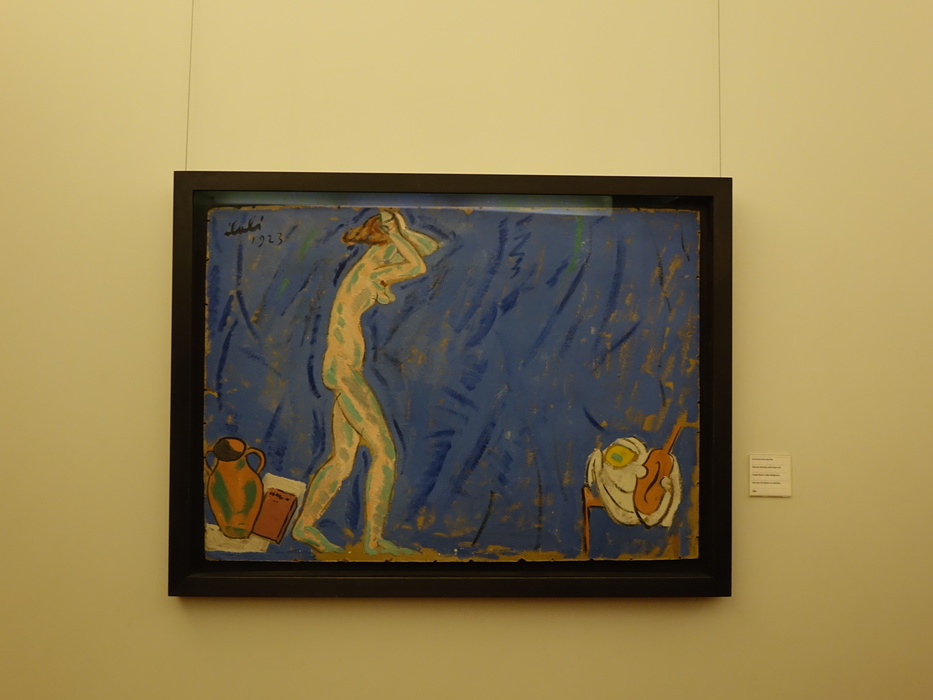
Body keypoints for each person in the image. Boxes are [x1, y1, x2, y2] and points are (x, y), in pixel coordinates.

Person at [292, 209, 440, 555]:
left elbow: (428, 247)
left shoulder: (371, 266)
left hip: (342, 369)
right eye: (394, 241)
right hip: (344, 370)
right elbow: (418, 265)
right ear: (387, 244)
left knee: (342, 459)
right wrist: (398, 234)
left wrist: (399, 228)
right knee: (385, 453)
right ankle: (373, 541)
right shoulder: (371, 271)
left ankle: (304, 525)